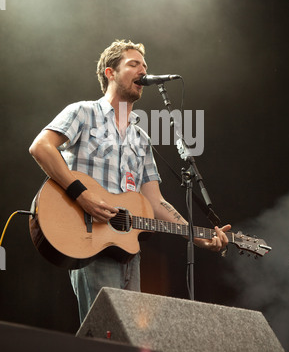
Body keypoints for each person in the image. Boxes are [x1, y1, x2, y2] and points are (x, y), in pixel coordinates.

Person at [29, 39, 231, 323]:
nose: (143, 72)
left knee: (126, 341)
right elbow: (41, 147)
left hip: (127, 250)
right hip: (88, 240)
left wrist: (197, 236)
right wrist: (82, 195)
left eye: (145, 66)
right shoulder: (83, 113)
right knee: (104, 335)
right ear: (110, 73)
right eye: (133, 64)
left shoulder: (141, 137)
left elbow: (155, 200)